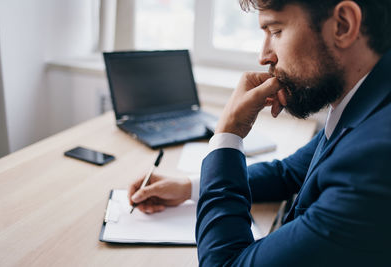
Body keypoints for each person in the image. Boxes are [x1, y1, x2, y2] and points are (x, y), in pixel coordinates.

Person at [128, 0, 391, 265]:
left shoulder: (373, 161)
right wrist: (190, 187)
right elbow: (288, 173)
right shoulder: (366, 102)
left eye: (276, 31)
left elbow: (223, 263)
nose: (264, 56)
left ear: (342, 25)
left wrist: (227, 135)